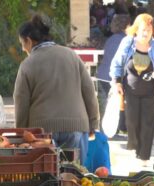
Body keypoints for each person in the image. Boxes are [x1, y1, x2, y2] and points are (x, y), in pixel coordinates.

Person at [14, 15, 99, 164]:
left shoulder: (28, 64)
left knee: (47, 179)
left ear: (29, 40)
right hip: (76, 127)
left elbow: (22, 102)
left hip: (41, 132)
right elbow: (89, 91)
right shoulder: (71, 55)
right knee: (73, 178)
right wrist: (93, 124)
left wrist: (21, 132)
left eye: (22, 43)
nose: (22, 48)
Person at [109, 13, 154, 166]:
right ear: (136, 30)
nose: (146, 33)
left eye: (149, 30)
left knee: (148, 123)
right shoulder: (127, 43)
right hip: (130, 91)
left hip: (150, 91)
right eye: (143, 30)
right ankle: (135, 147)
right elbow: (116, 64)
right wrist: (116, 82)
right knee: (132, 122)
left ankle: (144, 157)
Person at [97, 14, 131, 133]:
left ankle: (115, 128)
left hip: (103, 74)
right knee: (119, 103)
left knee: (112, 102)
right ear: (126, 25)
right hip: (114, 76)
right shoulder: (126, 40)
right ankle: (119, 127)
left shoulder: (111, 38)